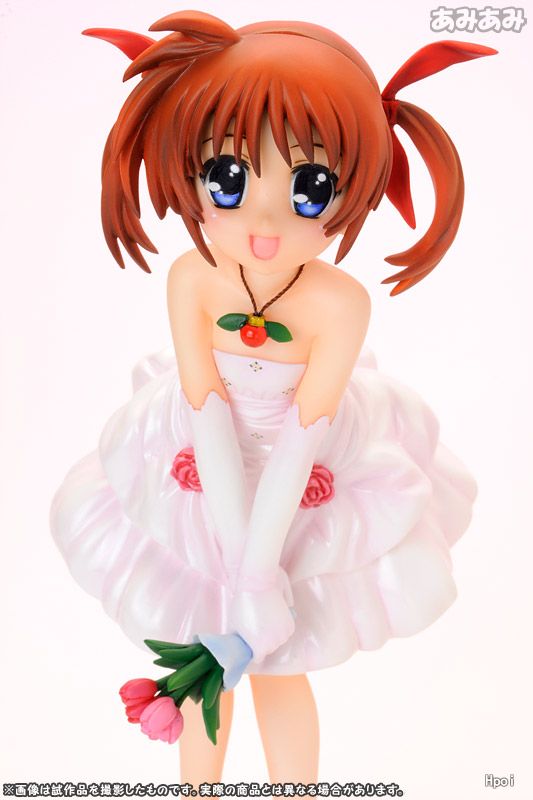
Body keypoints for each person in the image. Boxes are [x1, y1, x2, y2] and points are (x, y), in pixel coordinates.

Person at [50, 9, 495, 787]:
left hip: (303, 474)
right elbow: (205, 412)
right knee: (212, 657)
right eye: (227, 179)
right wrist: (240, 576)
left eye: (309, 187)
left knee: (281, 668)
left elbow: (302, 436)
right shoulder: (193, 279)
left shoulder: (338, 304)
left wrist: (260, 575)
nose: (263, 221)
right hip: (203, 465)